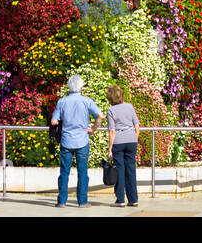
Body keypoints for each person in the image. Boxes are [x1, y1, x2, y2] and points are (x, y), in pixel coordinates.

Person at [50, 74, 102, 208]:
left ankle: (62, 201)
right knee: (83, 172)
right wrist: (93, 129)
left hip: (66, 141)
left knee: (64, 172)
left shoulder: (62, 101)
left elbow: (54, 121)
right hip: (82, 140)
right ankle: (82, 201)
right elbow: (100, 116)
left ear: (69, 87)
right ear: (81, 87)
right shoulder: (87, 101)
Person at [105, 85, 141, 208]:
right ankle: (133, 199)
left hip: (118, 143)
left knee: (120, 170)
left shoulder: (111, 110)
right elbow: (137, 125)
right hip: (131, 141)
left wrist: (110, 149)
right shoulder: (130, 107)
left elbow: (112, 131)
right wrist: (134, 140)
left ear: (110, 98)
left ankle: (120, 200)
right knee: (131, 170)